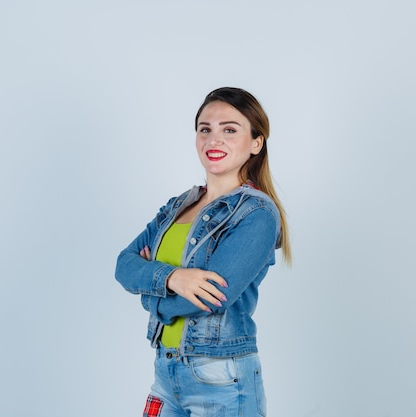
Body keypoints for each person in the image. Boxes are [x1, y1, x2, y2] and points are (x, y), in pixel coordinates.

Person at [115, 87, 291, 417]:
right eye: (205, 129)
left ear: (256, 143)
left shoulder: (257, 214)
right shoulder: (179, 205)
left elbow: (213, 298)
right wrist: (174, 277)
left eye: (229, 129)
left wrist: (148, 293)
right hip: (166, 372)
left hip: (222, 378)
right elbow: (123, 265)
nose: (214, 139)